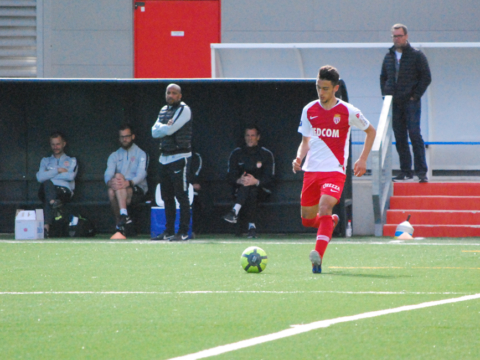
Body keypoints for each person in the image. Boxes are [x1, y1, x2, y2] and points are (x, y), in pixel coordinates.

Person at [293, 65, 376, 273]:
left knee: (324, 207)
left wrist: (363, 159)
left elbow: (371, 131)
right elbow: (305, 141)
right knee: (307, 219)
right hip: (312, 171)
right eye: (318, 87)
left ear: (336, 88)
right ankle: (331, 222)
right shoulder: (309, 110)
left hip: (335, 171)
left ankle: (317, 258)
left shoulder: (349, 111)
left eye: (326, 88)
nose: (321, 93)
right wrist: (298, 157)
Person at [380, 23, 432, 183]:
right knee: (400, 136)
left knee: (414, 134)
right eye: (394, 36)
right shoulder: (388, 56)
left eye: (399, 35)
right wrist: (385, 94)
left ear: (406, 36)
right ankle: (405, 170)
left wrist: (415, 96)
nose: (397, 39)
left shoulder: (417, 55)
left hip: (411, 102)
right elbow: (383, 77)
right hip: (394, 102)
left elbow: (426, 77)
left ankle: (421, 172)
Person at [151, 83, 192, 241]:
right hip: (164, 158)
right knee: (166, 196)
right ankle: (168, 231)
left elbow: (170, 130)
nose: (171, 95)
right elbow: (153, 132)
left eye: (174, 93)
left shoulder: (184, 109)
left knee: (181, 196)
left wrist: (163, 128)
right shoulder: (163, 110)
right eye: (169, 92)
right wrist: (164, 127)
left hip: (180, 157)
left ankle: (182, 232)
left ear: (180, 96)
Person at [223, 124, 275, 238]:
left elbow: (270, 179)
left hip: (262, 190)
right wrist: (239, 180)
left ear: (258, 137)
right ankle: (252, 227)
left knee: (251, 188)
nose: (250, 138)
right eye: (247, 135)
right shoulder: (237, 153)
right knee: (247, 187)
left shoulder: (266, 154)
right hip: (240, 191)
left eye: (253, 135)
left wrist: (256, 181)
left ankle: (234, 211)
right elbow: (229, 176)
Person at [104, 123, 148, 235]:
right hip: (121, 189)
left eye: (127, 136)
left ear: (133, 136)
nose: (125, 139)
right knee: (112, 188)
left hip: (137, 188)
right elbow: (108, 173)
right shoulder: (114, 155)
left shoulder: (141, 154)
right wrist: (110, 182)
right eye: (122, 137)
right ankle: (123, 217)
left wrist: (128, 182)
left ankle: (119, 221)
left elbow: (141, 174)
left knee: (117, 182)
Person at [36, 132, 78, 238]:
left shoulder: (71, 160)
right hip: (47, 189)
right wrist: (58, 170)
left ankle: (46, 228)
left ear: (64, 144)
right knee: (47, 184)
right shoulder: (45, 161)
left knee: (48, 197)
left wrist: (48, 174)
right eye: (53, 144)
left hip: (63, 191)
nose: (55, 147)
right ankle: (54, 202)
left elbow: (70, 177)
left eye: (58, 144)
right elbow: (39, 178)